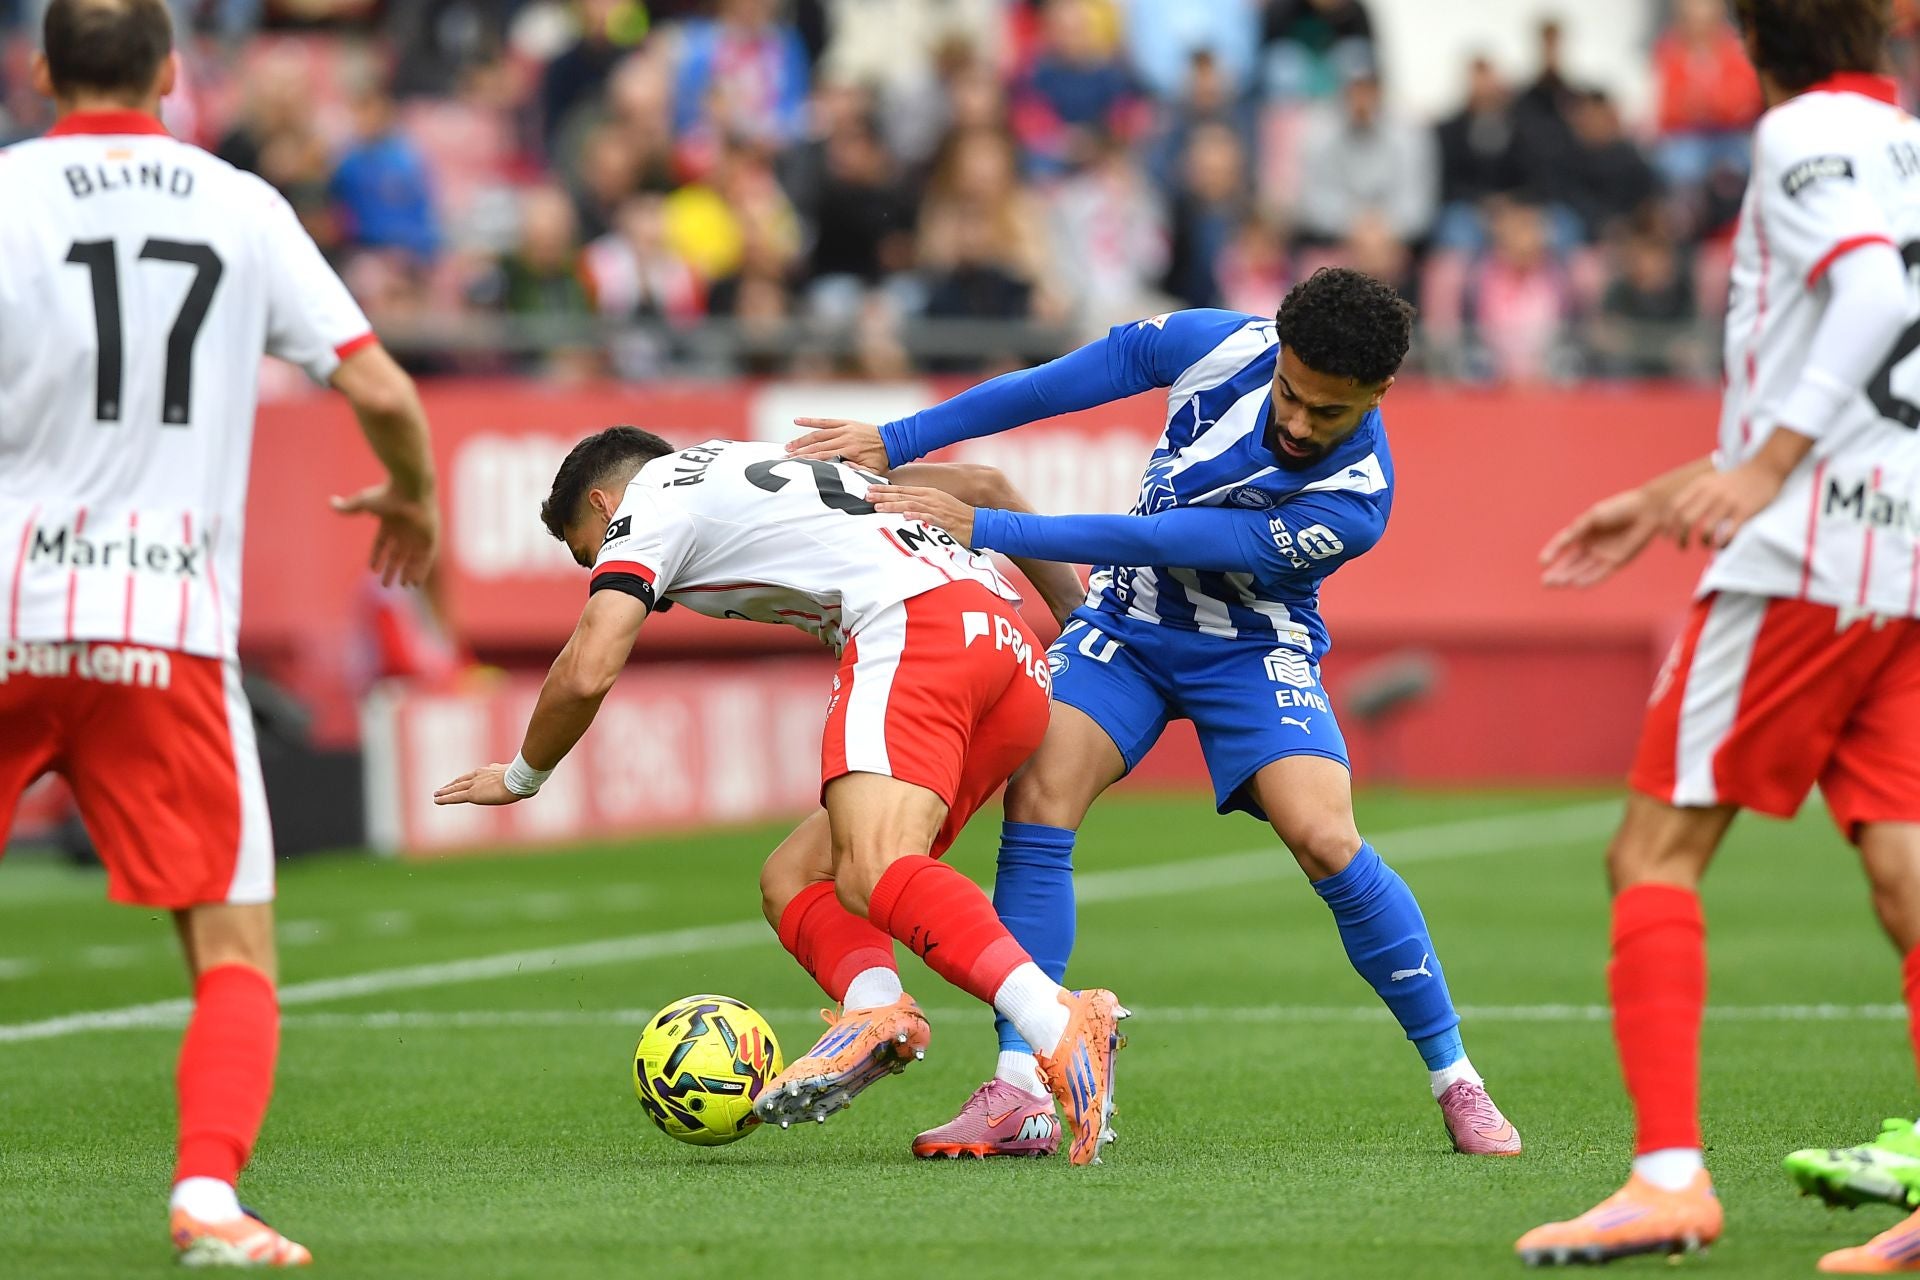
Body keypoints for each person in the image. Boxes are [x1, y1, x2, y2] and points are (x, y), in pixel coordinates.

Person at [788, 267, 1523, 1161]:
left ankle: (1457, 1080)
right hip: (1127, 628)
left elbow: (1172, 540)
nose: (1297, 423)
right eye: (1291, 394)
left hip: (1253, 648)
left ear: (1379, 394)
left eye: (1326, 414)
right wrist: (895, 435)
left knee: (1325, 837)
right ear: (1278, 351)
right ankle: (1020, 1090)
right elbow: (1056, 383)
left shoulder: (1358, 498)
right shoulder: (1214, 345)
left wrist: (994, 530)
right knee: (1040, 797)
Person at [0, 0, 440, 1265]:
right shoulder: (236, 203)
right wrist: (409, 491)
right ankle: (205, 1197)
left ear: (39, 70)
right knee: (233, 942)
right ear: (173, 72)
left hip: (13, 610)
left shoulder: (14, 190)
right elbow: (380, 384)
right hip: (164, 624)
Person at [430, 430, 1129, 1166]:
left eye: (590, 551)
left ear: (607, 504)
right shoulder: (765, 462)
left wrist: (522, 775)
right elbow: (984, 485)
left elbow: (587, 668)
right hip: (1011, 653)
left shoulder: (650, 503)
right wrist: (1075, 615)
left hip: (913, 627)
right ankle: (875, 1010)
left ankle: (1056, 1020)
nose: (600, 567)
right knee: (798, 877)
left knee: (871, 867)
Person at [1518, 0, 1920, 1268]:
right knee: (1909, 875)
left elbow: (1860, 298)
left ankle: (1668, 1177)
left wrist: (1766, 472)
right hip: (1901, 549)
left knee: (1653, 850)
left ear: (1757, 41)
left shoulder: (1803, 130)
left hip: (1804, 558)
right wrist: (1689, 481)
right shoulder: (1906, 145)